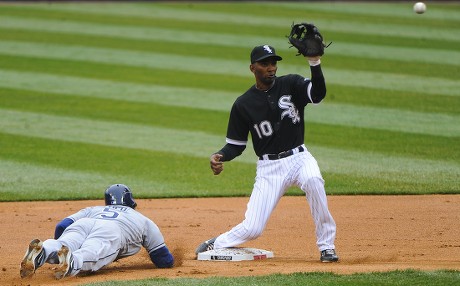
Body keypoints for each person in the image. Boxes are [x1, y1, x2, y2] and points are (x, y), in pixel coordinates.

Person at [195, 44, 339, 262]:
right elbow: (236, 144)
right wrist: (220, 155)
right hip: (269, 169)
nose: (271, 68)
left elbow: (318, 94)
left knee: (313, 180)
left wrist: (315, 62)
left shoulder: (291, 84)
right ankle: (217, 242)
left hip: (299, 158)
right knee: (253, 228)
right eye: (265, 64)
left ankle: (327, 246)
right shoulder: (243, 104)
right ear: (252, 68)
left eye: (273, 63)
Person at [20, 184, 174, 279]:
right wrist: (173, 262)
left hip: (85, 223)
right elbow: (163, 259)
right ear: (130, 201)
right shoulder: (143, 220)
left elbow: (62, 226)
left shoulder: (94, 209)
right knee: (91, 253)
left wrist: (62, 250)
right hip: (111, 231)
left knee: (64, 243)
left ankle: (45, 250)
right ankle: (73, 262)